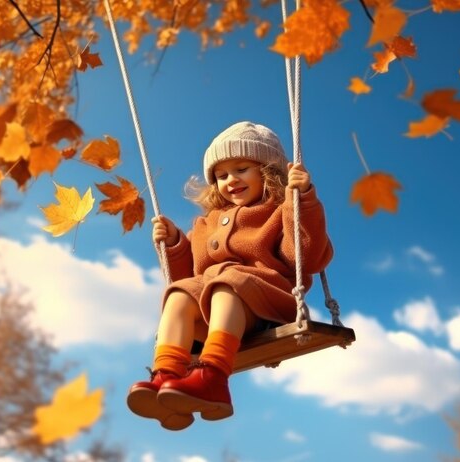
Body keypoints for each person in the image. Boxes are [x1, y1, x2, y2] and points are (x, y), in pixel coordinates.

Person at [126, 121, 333, 430]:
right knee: (180, 293)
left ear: (267, 170)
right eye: (221, 175)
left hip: (266, 304)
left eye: (241, 169)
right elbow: (189, 278)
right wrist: (175, 245)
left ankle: (212, 376)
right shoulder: (205, 223)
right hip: (216, 308)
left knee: (227, 282)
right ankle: (168, 377)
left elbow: (305, 255)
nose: (230, 180)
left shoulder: (280, 210)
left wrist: (300, 201)